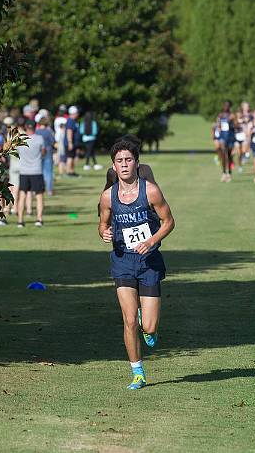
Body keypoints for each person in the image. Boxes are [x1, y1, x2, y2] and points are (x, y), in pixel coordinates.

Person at [98, 139, 175, 390]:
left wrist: (151, 241)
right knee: (129, 320)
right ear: (114, 165)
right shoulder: (108, 196)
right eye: (119, 161)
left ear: (136, 163)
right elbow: (102, 223)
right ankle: (137, 372)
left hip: (149, 261)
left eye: (128, 160)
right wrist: (104, 233)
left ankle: (147, 325)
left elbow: (169, 222)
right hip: (122, 261)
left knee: (148, 327)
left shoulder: (150, 190)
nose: (124, 165)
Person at [16, 120, 46, 227]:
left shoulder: (20, 139)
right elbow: (43, 152)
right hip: (36, 170)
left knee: (22, 195)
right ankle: (39, 219)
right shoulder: (39, 138)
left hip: (24, 171)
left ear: (25, 127)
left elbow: (18, 152)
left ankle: (20, 220)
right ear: (35, 127)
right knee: (39, 196)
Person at [215, 100, 236, 182]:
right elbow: (218, 125)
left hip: (230, 137)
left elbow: (236, 125)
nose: (226, 107)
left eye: (227, 105)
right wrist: (218, 126)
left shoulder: (232, 115)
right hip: (222, 137)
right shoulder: (220, 115)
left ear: (230, 107)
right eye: (225, 105)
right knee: (223, 154)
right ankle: (224, 173)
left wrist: (232, 122)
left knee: (229, 156)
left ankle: (229, 173)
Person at [36, 116, 56, 196]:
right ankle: (49, 190)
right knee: (48, 172)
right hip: (48, 152)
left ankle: (40, 189)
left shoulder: (36, 131)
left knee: (39, 172)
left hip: (39, 153)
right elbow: (52, 142)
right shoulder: (48, 131)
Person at [64, 105, 81, 176]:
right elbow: (69, 132)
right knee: (70, 157)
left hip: (74, 143)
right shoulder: (70, 121)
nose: (78, 114)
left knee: (72, 157)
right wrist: (70, 142)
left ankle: (72, 171)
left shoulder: (74, 121)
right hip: (70, 143)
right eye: (77, 113)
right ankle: (68, 172)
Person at [54, 105, 68, 175]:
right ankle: (61, 169)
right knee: (62, 154)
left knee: (58, 152)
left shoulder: (56, 119)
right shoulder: (64, 120)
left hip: (57, 136)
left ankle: (58, 165)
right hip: (62, 137)